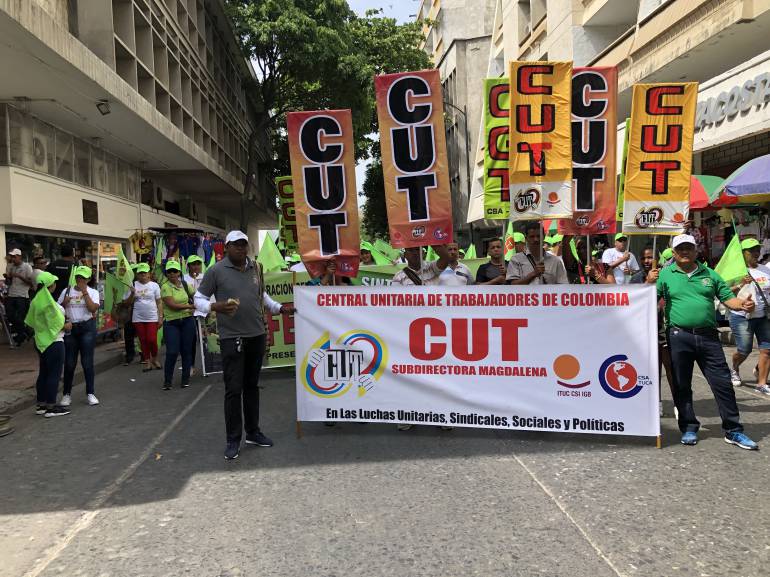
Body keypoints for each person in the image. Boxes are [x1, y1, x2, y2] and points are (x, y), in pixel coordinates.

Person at [194, 230, 292, 460]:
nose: (241, 249)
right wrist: (215, 307)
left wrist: (279, 308)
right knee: (233, 390)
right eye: (236, 245)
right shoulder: (216, 271)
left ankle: (253, 432)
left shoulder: (255, 268)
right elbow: (198, 300)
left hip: (256, 335)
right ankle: (233, 439)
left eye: (244, 245)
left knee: (252, 386)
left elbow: (262, 296)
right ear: (226, 247)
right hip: (232, 338)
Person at [657, 234, 758, 449]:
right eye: (680, 249)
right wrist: (648, 282)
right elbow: (650, 300)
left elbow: (727, 298)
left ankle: (733, 430)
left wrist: (742, 305)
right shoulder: (664, 275)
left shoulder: (710, 275)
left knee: (722, 384)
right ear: (674, 253)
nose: (685, 252)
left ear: (696, 251)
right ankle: (689, 427)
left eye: (688, 248)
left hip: (708, 337)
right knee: (681, 385)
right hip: (678, 336)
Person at [25, 271, 71, 418]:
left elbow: (31, 322)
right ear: (52, 286)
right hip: (55, 342)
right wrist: (67, 326)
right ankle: (51, 407)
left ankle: (41, 405)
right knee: (54, 374)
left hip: (40, 342)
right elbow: (58, 324)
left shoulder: (36, 301)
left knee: (43, 373)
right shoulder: (50, 305)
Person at [727, 239, 770, 394]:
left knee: (767, 349)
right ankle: (735, 368)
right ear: (742, 253)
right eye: (751, 250)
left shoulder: (765, 269)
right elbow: (723, 293)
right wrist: (740, 283)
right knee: (744, 350)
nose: (755, 253)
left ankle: (761, 383)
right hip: (741, 316)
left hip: (762, 316)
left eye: (757, 249)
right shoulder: (734, 270)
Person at [58, 265, 100, 406]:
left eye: (83, 278)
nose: (80, 280)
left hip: (87, 328)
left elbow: (93, 308)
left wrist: (84, 292)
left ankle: (90, 393)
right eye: (78, 277)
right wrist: (65, 302)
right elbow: (58, 310)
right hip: (71, 329)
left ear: (88, 279)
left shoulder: (93, 292)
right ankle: (66, 394)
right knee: (69, 363)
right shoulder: (66, 291)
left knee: (87, 362)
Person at [161, 260, 196, 390]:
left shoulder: (185, 285)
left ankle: (185, 379)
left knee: (186, 351)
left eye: (174, 271)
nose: (172, 274)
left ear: (179, 272)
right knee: (172, 352)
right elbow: (172, 305)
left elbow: (196, 296)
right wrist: (190, 306)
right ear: (166, 274)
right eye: (169, 272)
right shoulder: (165, 287)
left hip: (187, 321)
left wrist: (201, 304)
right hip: (171, 323)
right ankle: (168, 380)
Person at [122, 263, 162, 371]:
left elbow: (159, 303)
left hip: (152, 317)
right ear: (137, 274)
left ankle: (154, 358)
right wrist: (132, 294)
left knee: (152, 340)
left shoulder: (154, 286)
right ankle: (147, 362)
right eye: (140, 273)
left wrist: (160, 317)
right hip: (138, 318)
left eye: (145, 272)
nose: (142, 275)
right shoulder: (133, 285)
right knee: (143, 340)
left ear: (149, 274)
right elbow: (126, 304)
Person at [4, 248, 35, 346]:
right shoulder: (10, 266)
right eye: (12, 257)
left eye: (15, 256)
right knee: (10, 315)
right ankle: (27, 331)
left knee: (19, 316)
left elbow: (31, 283)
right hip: (11, 294)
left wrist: (19, 276)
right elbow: (8, 282)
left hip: (22, 295)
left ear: (19, 256)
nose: (13, 259)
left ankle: (20, 337)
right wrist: (8, 278)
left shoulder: (27, 267)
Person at [185, 256, 206, 375]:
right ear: (188, 266)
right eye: (193, 264)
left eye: (198, 263)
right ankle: (190, 365)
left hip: (204, 313)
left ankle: (208, 366)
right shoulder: (183, 279)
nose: (196, 266)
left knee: (207, 340)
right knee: (191, 341)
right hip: (190, 313)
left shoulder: (206, 277)